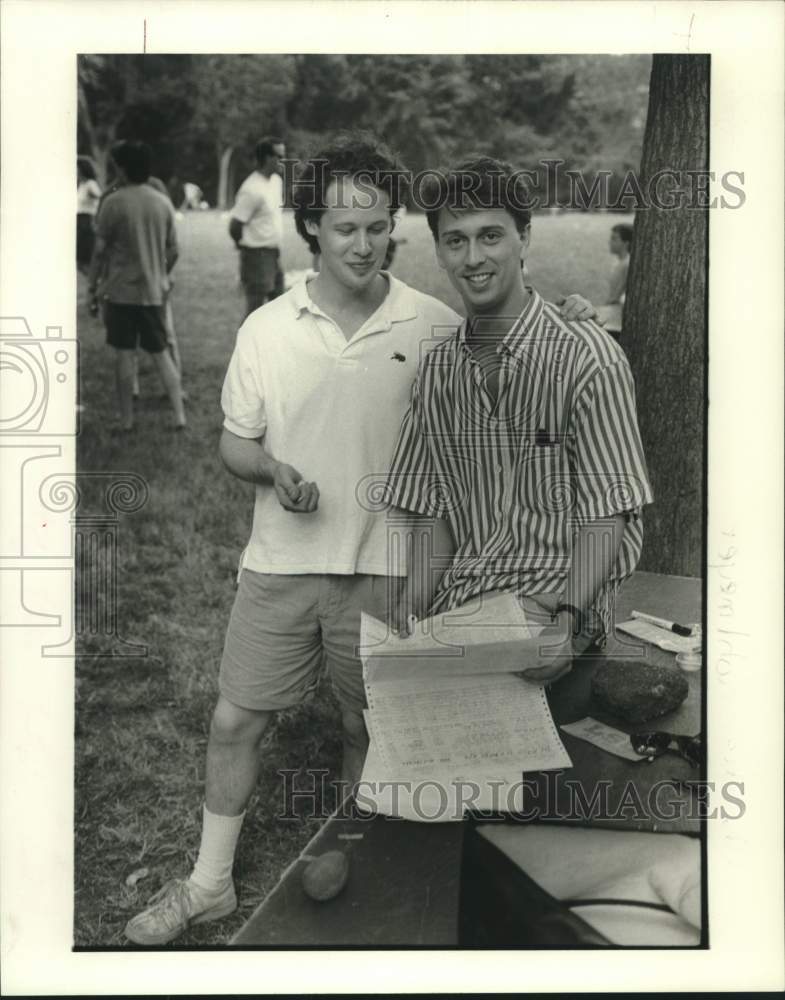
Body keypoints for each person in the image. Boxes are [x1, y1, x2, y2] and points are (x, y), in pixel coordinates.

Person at [124, 135, 598, 945]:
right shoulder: (267, 329)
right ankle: (208, 885)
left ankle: (356, 872)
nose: (362, 243)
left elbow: (509, 324)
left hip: (389, 570)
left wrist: (566, 310)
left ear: (393, 229)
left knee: (366, 731)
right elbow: (233, 444)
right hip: (280, 566)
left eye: (378, 227)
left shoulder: (433, 321)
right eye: (344, 227)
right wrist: (273, 471)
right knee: (235, 720)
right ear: (311, 225)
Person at [386, 157, 652, 685]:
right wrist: (409, 608)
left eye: (491, 236)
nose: (473, 257)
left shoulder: (586, 355)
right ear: (438, 250)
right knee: (397, 728)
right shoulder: (437, 372)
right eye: (455, 241)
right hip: (463, 604)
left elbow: (608, 514)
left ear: (524, 238)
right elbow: (436, 513)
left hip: (558, 598)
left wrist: (569, 623)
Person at [87, 141, 186, 432]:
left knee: (124, 354)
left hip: (120, 293)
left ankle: (127, 421)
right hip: (154, 292)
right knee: (161, 353)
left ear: (123, 167)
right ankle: (180, 416)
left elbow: (99, 252)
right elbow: (174, 250)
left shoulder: (113, 202)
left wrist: (91, 289)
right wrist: (161, 273)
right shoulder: (161, 201)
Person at [229, 136, 286, 318]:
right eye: (279, 157)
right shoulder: (251, 189)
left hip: (273, 253)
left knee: (279, 305)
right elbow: (235, 225)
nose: (283, 161)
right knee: (255, 312)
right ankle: (245, 346)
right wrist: (243, 246)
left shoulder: (276, 181)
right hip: (256, 256)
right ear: (266, 158)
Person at [596, 222, 633, 337]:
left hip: (617, 316)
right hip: (613, 311)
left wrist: (603, 309)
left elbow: (617, 295)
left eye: (614, 239)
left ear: (626, 243)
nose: (610, 242)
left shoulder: (627, 264)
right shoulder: (619, 262)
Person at [76, 157, 101, 273]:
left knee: (84, 255)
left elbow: (99, 197)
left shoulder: (91, 184)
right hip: (80, 219)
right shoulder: (82, 185)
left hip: (86, 220)